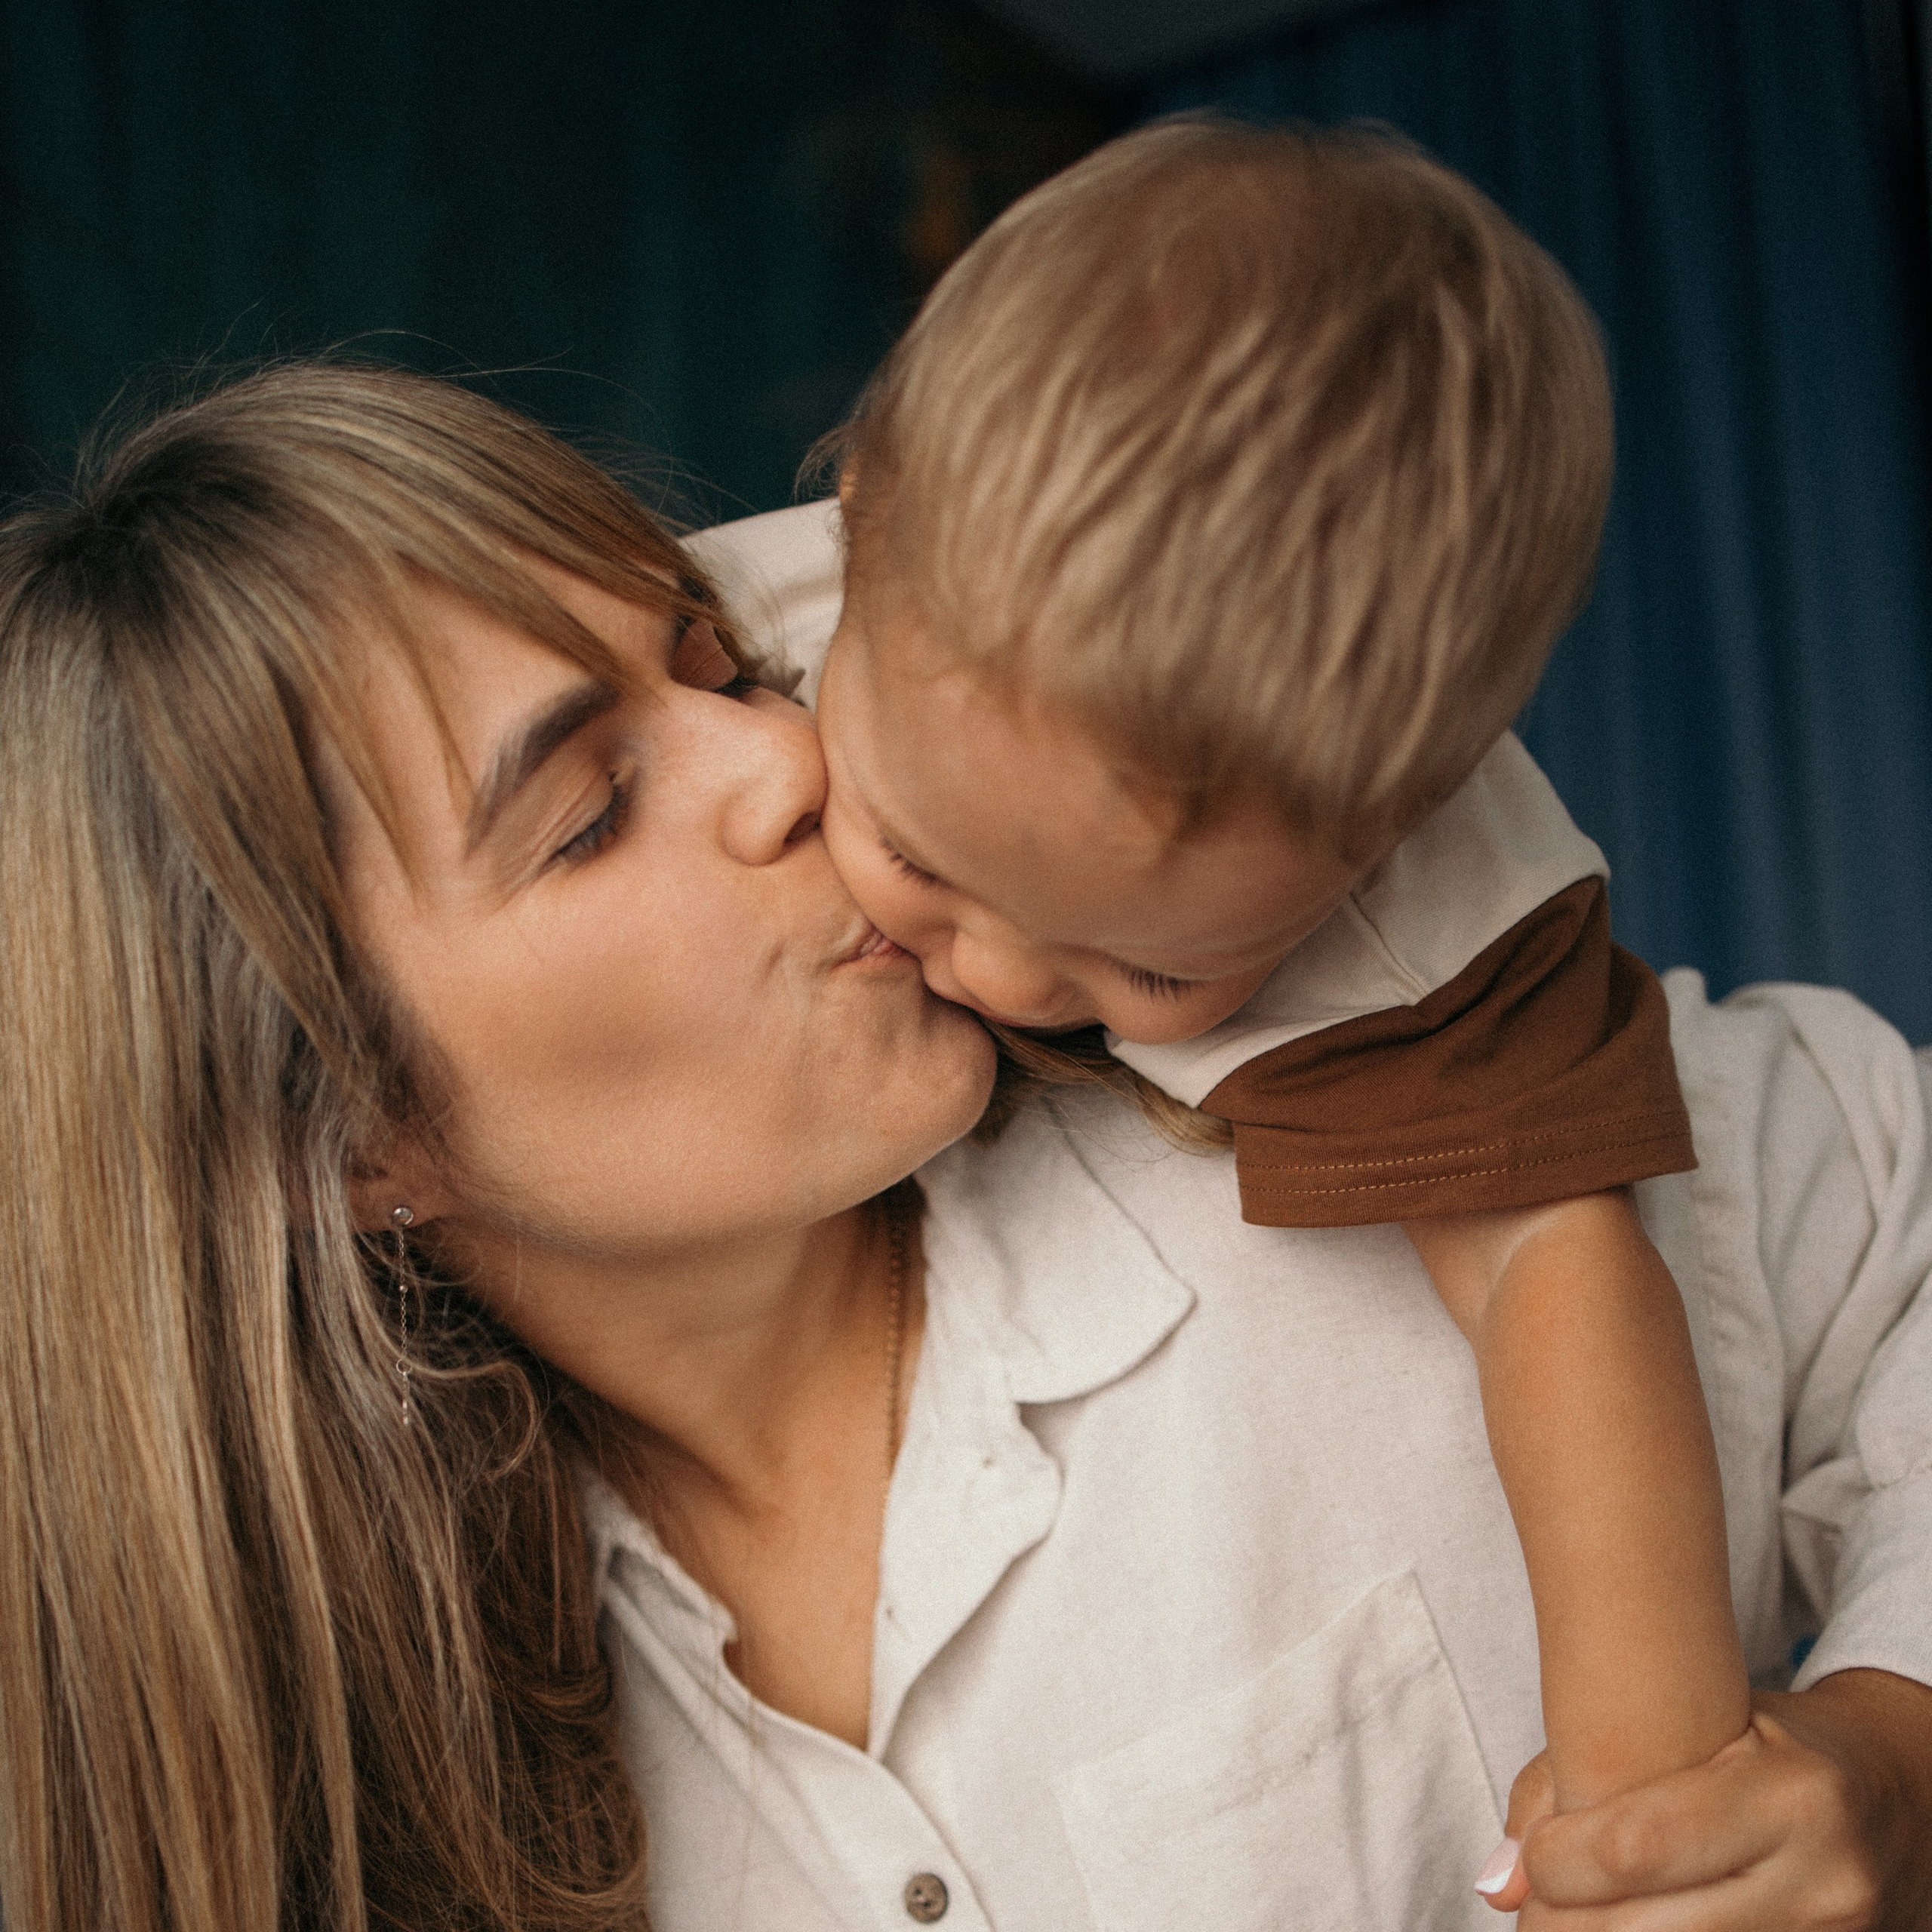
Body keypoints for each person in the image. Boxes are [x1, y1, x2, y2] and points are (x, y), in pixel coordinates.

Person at [2, 362, 1927, 1932]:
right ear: (335, 1139)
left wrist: (1896, 1750)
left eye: (718, 665)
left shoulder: (1355, 1137)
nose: (781, 767)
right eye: (591, 810)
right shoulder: (373, 1772)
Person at [795, 116, 1746, 1835]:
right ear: (849, 526)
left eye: (1148, 965)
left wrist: (1648, 1772)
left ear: (1385, 830)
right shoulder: (742, 619)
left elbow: (1561, 1284)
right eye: (921, 859)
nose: (1001, 976)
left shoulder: (1425, 929)